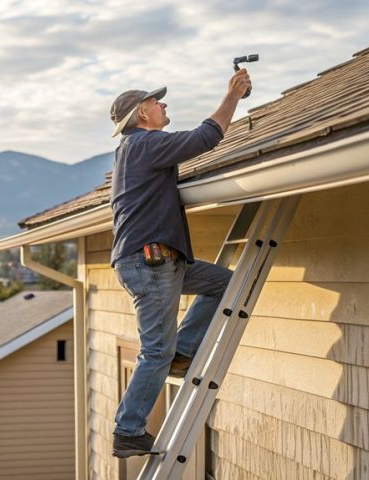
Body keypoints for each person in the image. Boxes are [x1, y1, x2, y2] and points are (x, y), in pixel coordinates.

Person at [109, 69, 252, 458]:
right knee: (155, 350)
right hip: (150, 263)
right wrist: (233, 95)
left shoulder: (134, 150)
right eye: (157, 102)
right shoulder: (143, 145)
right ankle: (128, 430)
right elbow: (206, 137)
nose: (164, 105)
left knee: (227, 283)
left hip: (161, 262)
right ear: (142, 114)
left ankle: (183, 351)